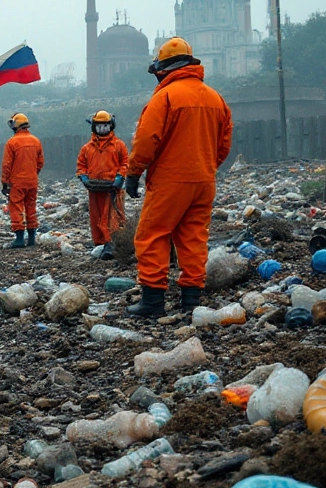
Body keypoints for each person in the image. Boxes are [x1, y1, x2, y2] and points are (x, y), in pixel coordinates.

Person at [124, 37, 233, 317]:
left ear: (163, 69)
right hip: (204, 181)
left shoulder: (165, 98)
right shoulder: (215, 98)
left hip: (171, 180)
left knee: (152, 234)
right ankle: (191, 303)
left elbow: (147, 140)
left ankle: (152, 301)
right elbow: (224, 144)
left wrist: (134, 172)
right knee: (194, 237)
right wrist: (206, 166)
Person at [76, 110, 128, 259]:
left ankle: (112, 244)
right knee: (96, 217)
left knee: (112, 217)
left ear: (111, 125)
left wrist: (120, 177)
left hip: (112, 189)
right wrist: (84, 177)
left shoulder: (118, 145)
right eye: (99, 125)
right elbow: (81, 165)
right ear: (94, 126)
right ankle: (99, 243)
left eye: (105, 125)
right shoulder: (87, 148)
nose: (102, 128)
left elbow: (125, 163)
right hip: (94, 189)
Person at [0, 112, 44, 248]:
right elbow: (40, 162)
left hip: (17, 182)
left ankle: (19, 239)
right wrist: (33, 174)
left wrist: (5, 183)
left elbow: (7, 165)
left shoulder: (12, 142)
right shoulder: (36, 141)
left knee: (16, 207)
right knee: (31, 207)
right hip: (32, 181)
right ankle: (31, 239)